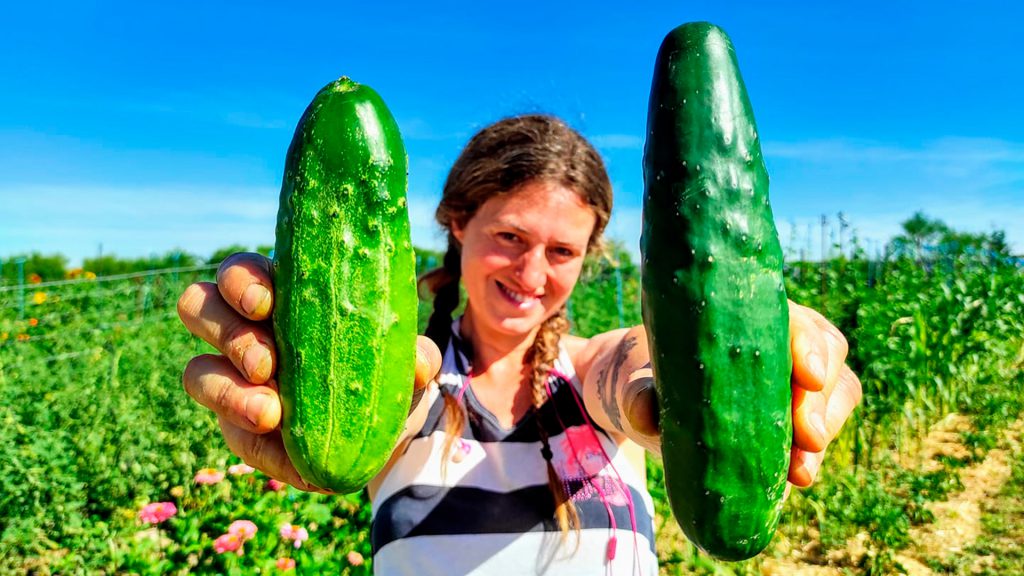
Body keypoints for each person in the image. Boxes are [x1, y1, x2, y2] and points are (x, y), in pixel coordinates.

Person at [177, 114, 862, 575]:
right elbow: (394, 414)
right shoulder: (401, 387)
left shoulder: (591, 372)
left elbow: (635, 373)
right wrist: (295, 364)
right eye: (509, 237)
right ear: (457, 223)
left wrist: (734, 364)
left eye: (562, 250)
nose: (532, 275)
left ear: (588, 256)